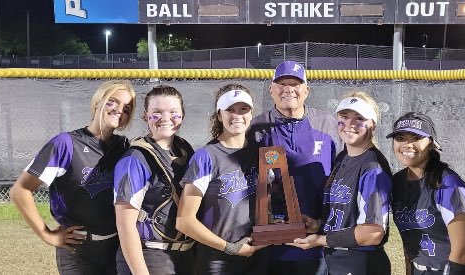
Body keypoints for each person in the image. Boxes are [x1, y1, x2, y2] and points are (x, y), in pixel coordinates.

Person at [9, 80, 136, 274]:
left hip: (115, 248)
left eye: (127, 108)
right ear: (97, 102)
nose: (119, 110)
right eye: (113, 101)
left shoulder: (124, 147)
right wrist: (46, 234)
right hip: (77, 250)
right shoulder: (66, 144)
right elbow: (20, 190)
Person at [249, 60, 339, 275]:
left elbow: (342, 179)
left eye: (295, 84)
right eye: (282, 84)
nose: (288, 89)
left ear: (306, 90)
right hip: (270, 244)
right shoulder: (255, 128)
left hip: (316, 241)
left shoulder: (328, 124)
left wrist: (325, 223)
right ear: (271, 90)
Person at [288, 92, 392, 275]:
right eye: (344, 117)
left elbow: (373, 233)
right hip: (338, 259)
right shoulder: (343, 157)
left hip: (361, 262)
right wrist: (318, 225)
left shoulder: (372, 168)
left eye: (359, 118)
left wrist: (321, 239)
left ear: (372, 124)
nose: (350, 124)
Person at [175, 84, 268, 275]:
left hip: (257, 254)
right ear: (219, 115)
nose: (237, 115)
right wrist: (230, 248)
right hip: (217, 258)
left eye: (243, 109)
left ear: (251, 114)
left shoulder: (261, 153)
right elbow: (184, 221)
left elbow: (269, 204)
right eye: (230, 110)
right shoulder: (206, 156)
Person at [113, 85, 195, 275]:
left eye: (173, 112)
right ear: (145, 115)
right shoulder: (135, 159)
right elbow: (125, 225)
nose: (165, 118)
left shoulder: (184, 149)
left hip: (185, 255)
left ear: (182, 115)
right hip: (150, 255)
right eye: (157, 112)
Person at [386, 112, 465, 275]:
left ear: (431, 144)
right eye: (400, 138)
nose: (407, 144)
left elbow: (463, 251)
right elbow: (408, 241)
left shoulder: (448, 184)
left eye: (416, 138)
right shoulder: (396, 182)